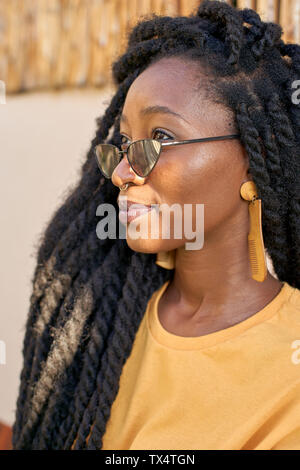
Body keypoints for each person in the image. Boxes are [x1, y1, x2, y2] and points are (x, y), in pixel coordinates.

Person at [12, 0, 300, 450]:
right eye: (124, 143)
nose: (124, 172)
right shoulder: (97, 315)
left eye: (161, 138)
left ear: (252, 161)